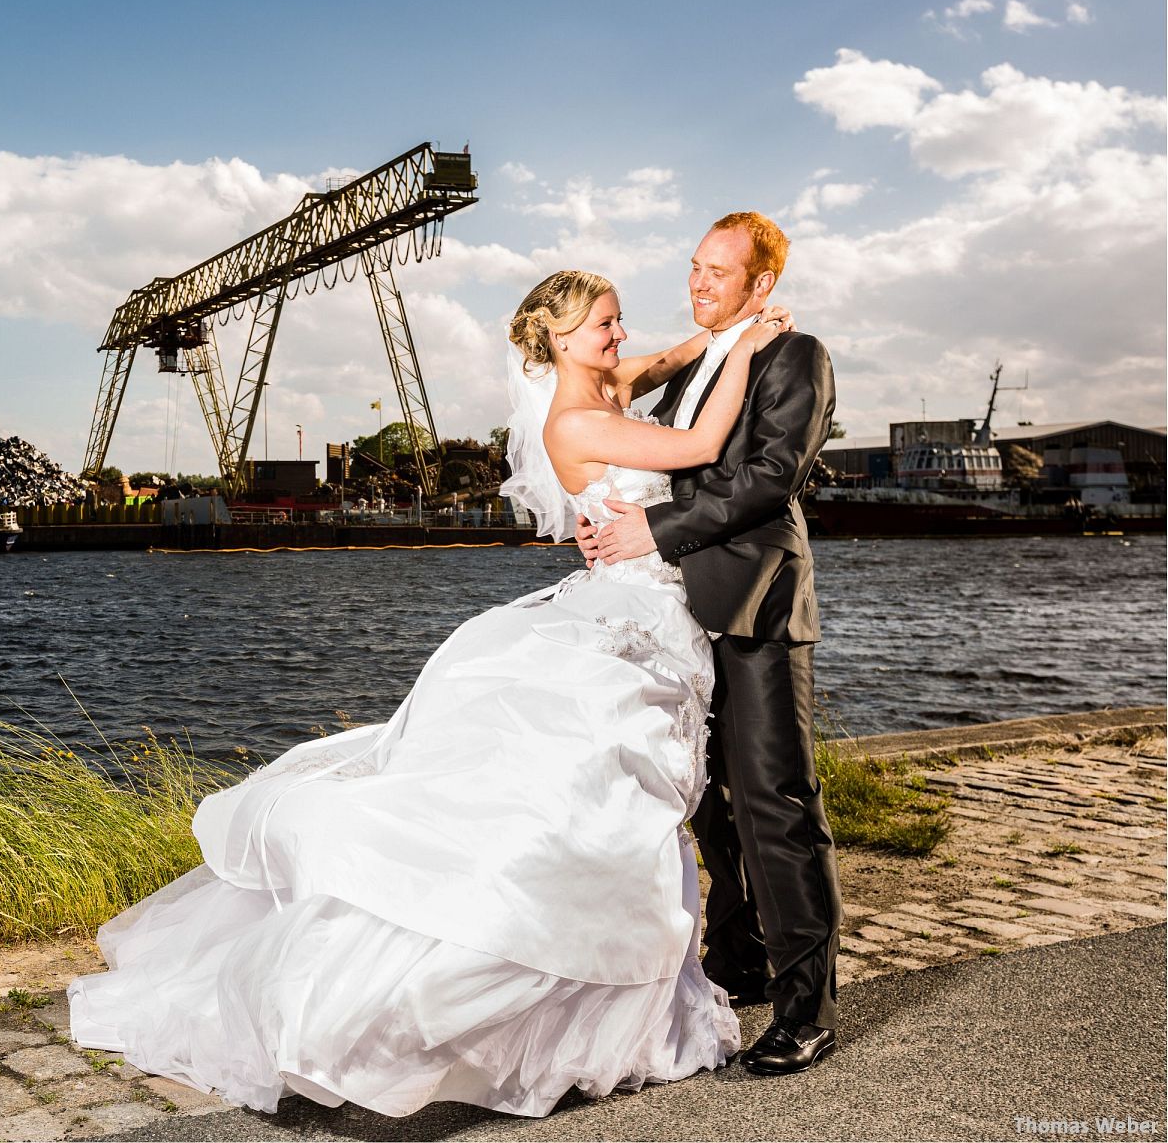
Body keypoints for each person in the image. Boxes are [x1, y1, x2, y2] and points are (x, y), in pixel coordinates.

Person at [67, 270, 791, 1118]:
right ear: (558, 340)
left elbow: (668, 357)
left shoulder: (608, 385)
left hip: (650, 610)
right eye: (604, 324)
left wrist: (718, 333)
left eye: (620, 320)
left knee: (623, 799)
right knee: (597, 792)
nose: (621, 336)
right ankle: (553, 995)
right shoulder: (580, 417)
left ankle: (621, 990)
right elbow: (703, 445)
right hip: (634, 613)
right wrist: (753, 342)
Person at [576, 211, 841, 1076]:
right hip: (679, 618)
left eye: (718, 273)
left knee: (775, 804)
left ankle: (809, 1010)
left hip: (757, 607)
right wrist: (602, 523)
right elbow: (647, 459)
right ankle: (738, 961)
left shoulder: (793, 358)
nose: (698, 284)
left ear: (762, 285)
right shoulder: (692, 366)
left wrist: (651, 529)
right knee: (708, 802)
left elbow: (770, 479)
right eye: (694, 267)